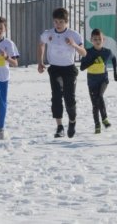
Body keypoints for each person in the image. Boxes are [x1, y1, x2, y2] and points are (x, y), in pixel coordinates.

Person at [37, 8, 87, 138]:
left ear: (66, 22)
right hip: (54, 69)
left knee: (69, 98)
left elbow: (84, 53)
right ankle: (59, 127)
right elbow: (41, 44)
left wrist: (74, 45)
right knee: (56, 98)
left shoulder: (74, 34)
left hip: (69, 69)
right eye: (55, 22)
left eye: (60, 22)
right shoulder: (48, 34)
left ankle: (72, 122)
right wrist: (40, 61)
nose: (58, 25)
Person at [80, 29, 117, 134]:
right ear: (91, 40)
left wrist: (115, 73)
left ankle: (104, 119)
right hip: (92, 81)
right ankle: (97, 124)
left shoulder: (107, 52)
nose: (97, 41)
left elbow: (114, 59)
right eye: (95, 39)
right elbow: (82, 67)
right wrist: (92, 62)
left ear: (103, 40)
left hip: (103, 80)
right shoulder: (88, 52)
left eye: (99, 39)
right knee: (95, 104)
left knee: (100, 96)